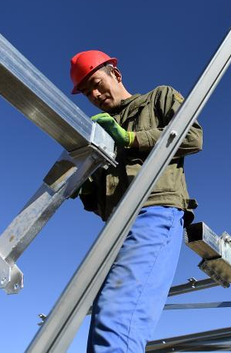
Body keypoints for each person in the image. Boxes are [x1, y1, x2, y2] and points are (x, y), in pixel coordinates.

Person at [68, 49, 202, 353]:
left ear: (116, 74)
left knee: (117, 314)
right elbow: (99, 199)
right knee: (105, 315)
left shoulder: (158, 98)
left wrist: (131, 140)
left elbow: (193, 137)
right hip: (114, 226)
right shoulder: (99, 131)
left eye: (98, 83)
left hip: (153, 211)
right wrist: (84, 186)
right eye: (88, 92)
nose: (96, 94)